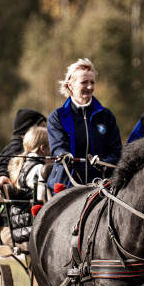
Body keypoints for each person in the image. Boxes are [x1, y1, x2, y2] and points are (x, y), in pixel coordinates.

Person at [45, 58, 122, 191]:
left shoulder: (106, 116)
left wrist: (104, 162)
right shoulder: (57, 117)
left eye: (92, 82)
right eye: (84, 82)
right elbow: (58, 147)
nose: (90, 87)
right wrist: (64, 155)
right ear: (70, 86)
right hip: (67, 186)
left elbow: (116, 152)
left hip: (101, 187)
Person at [5, 124, 51, 248]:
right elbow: (44, 200)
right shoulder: (38, 169)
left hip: (19, 227)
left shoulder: (22, 166)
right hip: (31, 227)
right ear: (43, 149)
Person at [0, 108, 47, 195]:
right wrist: (1, 175)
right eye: (42, 128)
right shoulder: (17, 147)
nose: (46, 132)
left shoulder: (15, 145)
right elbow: (2, 165)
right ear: (31, 131)